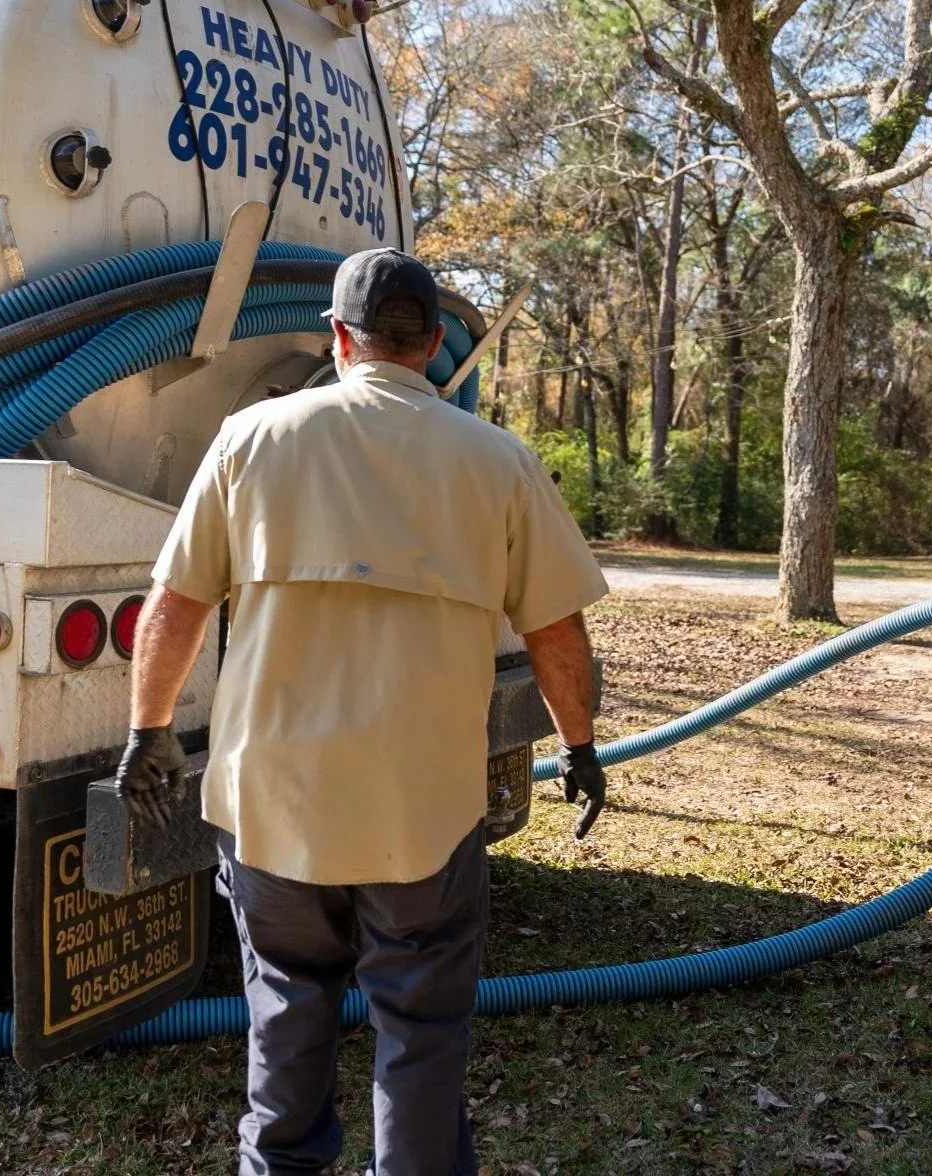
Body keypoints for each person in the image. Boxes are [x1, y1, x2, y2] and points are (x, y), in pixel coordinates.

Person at [114, 247, 609, 1176]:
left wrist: (148, 733)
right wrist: (580, 747)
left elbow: (174, 604)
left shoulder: (250, 439)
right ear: (427, 347)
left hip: (272, 810)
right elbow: (557, 634)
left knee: (286, 1022)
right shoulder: (497, 461)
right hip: (420, 816)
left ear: (339, 337)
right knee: (421, 1030)